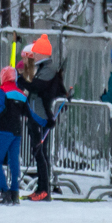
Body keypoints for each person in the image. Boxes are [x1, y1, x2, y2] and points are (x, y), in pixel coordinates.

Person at [17, 33, 66, 201]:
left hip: (41, 116)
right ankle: (41, 187)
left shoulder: (49, 69)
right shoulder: (43, 67)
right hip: (36, 113)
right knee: (39, 151)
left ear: (43, 54)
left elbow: (37, 86)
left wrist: (22, 81)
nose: (34, 55)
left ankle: (44, 189)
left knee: (40, 152)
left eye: (36, 53)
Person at [0, 66, 29, 206]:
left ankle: (4, 191)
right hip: (17, 130)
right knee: (13, 161)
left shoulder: (2, 90)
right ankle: (15, 192)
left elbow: (0, 107)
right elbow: (27, 112)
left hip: (5, 129)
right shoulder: (21, 93)